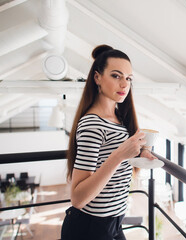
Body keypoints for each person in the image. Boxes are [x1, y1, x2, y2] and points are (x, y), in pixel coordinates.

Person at [61, 44, 156, 240]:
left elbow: (112, 157)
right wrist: (119, 155)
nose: (124, 84)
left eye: (128, 78)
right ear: (97, 77)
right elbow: (78, 198)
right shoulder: (92, 124)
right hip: (90, 228)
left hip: (113, 222)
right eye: (116, 76)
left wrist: (140, 153)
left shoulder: (119, 120)